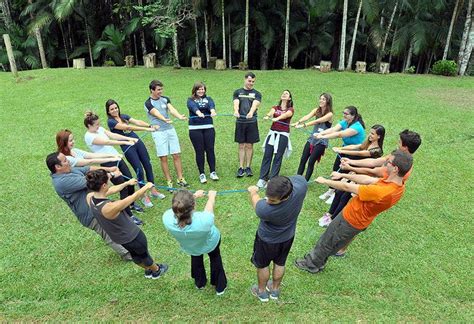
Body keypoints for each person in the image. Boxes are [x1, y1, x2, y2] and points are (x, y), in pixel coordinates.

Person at [294, 150, 413, 274]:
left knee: (328, 240)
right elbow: (368, 180)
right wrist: (343, 175)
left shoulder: (382, 192)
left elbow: (347, 187)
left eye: (388, 162)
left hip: (351, 220)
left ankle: (312, 264)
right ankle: (320, 261)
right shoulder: (398, 184)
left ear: (395, 169)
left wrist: (325, 181)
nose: (385, 163)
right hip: (359, 220)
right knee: (333, 241)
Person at [46, 152, 131, 261]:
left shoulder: (69, 170)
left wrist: (108, 169)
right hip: (89, 214)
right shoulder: (62, 182)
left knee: (117, 224)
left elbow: (88, 169)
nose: (68, 161)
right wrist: (113, 175)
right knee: (108, 234)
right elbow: (91, 182)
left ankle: (129, 243)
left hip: (98, 204)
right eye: (65, 160)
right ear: (57, 167)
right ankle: (127, 255)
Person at [86, 169, 168, 279]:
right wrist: (146, 187)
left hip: (120, 238)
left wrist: (126, 183)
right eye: (109, 180)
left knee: (135, 255)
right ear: (104, 185)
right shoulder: (108, 208)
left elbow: (111, 190)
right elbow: (130, 199)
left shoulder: (90, 197)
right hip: (132, 236)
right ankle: (156, 270)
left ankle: (147, 270)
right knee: (144, 255)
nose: (111, 181)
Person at [247, 175, 308, 302]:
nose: (268, 201)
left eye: (273, 200)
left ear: (285, 196)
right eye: (268, 197)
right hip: (287, 237)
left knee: (263, 265)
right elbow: (298, 178)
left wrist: (253, 191)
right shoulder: (301, 187)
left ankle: (262, 292)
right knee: (280, 263)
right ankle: (275, 290)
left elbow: (256, 201)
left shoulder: (265, 210)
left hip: (266, 241)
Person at [318, 124, 385, 227]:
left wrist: (342, 151)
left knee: (345, 196)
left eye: (372, 134)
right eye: (370, 132)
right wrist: (340, 148)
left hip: (361, 176)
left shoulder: (377, 151)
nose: (370, 135)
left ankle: (333, 219)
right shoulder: (367, 143)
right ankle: (330, 214)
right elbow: (356, 147)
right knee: (339, 191)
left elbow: (360, 154)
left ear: (379, 136)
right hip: (353, 172)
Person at [83, 111, 144, 225]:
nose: (98, 126)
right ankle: (129, 216)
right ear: (89, 126)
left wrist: (127, 139)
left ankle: (131, 203)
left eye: (98, 124)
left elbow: (112, 135)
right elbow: (108, 141)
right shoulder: (89, 137)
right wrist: (126, 142)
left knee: (130, 180)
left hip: (117, 158)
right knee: (122, 186)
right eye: (96, 125)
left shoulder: (99, 129)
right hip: (107, 163)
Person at [162, 189, 227, 295]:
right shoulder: (204, 220)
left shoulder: (166, 218)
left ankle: (200, 283)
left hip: (191, 247)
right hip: (210, 243)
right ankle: (219, 286)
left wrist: (194, 196)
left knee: (196, 259)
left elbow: (178, 207)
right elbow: (209, 207)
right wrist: (211, 196)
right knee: (215, 259)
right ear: (194, 206)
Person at [105, 99, 166, 208]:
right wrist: (146, 130)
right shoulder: (111, 122)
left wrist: (149, 126)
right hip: (128, 147)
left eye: (116, 108)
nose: (115, 110)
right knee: (139, 169)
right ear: (108, 111)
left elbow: (136, 121)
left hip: (138, 142)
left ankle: (153, 190)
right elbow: (127, 127)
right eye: (112, 109)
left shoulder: (124, 116)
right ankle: (143, 195)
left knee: (148, 164)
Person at [315, 106, 366, 204]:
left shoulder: (357, 127)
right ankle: (330, 190)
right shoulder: (345, 122)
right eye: (343, 113)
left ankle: (336, 194)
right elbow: (334, 129)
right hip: (343, 149)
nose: (344, 115)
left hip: (353, 153)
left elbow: (340, 134)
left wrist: (323, 137)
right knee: (336, 169)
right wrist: (321, 134)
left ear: (353, 116)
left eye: (346, 114)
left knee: (343, 172)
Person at [144, 80, 189, 189]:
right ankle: (169, 181)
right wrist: (164, 119)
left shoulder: (165, 99)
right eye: (158, 90)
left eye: (161, 89)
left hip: (170, 130)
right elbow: (155, 113)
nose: (161, 91)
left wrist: (179, 116)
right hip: (158, 133)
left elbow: (171, 109)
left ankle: (180, 178)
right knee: (163, 157)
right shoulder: (148, 103)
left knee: (176, 154)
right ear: (152, 90)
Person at [256, 90, 294, 188]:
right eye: (283, 93)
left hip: (283, 135)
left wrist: (277, 119)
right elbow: (271, 112)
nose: (284, 94)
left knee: (277, 157)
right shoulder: (275, 107)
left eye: (286, 94)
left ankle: (272, 180)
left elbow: (286, 115)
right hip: (272, 134)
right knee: (267, 155)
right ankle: (262, 178)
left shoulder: (290, 109)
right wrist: (268, 116)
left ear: (289, 98)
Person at [293, 93, 334, 181]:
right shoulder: (316, 110)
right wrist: (298, 122)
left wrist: (304, 125)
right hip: (312, 139)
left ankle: (304, 182)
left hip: (321, 142)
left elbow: (318, 121)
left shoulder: (330, 114)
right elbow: (307, 116)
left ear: (328, 102)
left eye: (323, 99)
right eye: (320, 98)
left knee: (311, 162)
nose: (321, 100)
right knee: (303, 159)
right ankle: (297, 179)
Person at [186, 82, 219, 184]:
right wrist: (198, 113)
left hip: (208, 127)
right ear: (195, 90)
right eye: (199, 89)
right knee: (199, 150)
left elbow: (211, 106)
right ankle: (202, 173)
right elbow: (193, 107)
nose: (201, 91)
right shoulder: (190, 100)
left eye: (203, 89)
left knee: (210, 149)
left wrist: (212, 111)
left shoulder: (209, 99)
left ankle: (213, 172)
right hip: (195, 129)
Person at [233, 72, 262, 178]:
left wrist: (251, 112)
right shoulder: (237, 92)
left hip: (251, 122)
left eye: (253, 82)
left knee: (249, 145)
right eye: (249, 81)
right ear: (245, 80)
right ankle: (241, 167)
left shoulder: (257, 93)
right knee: (241, 145)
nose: (251, 83)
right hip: (240, 122)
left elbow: (255, 104)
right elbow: (236, 103)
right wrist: (236, 111)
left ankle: (248, 167)